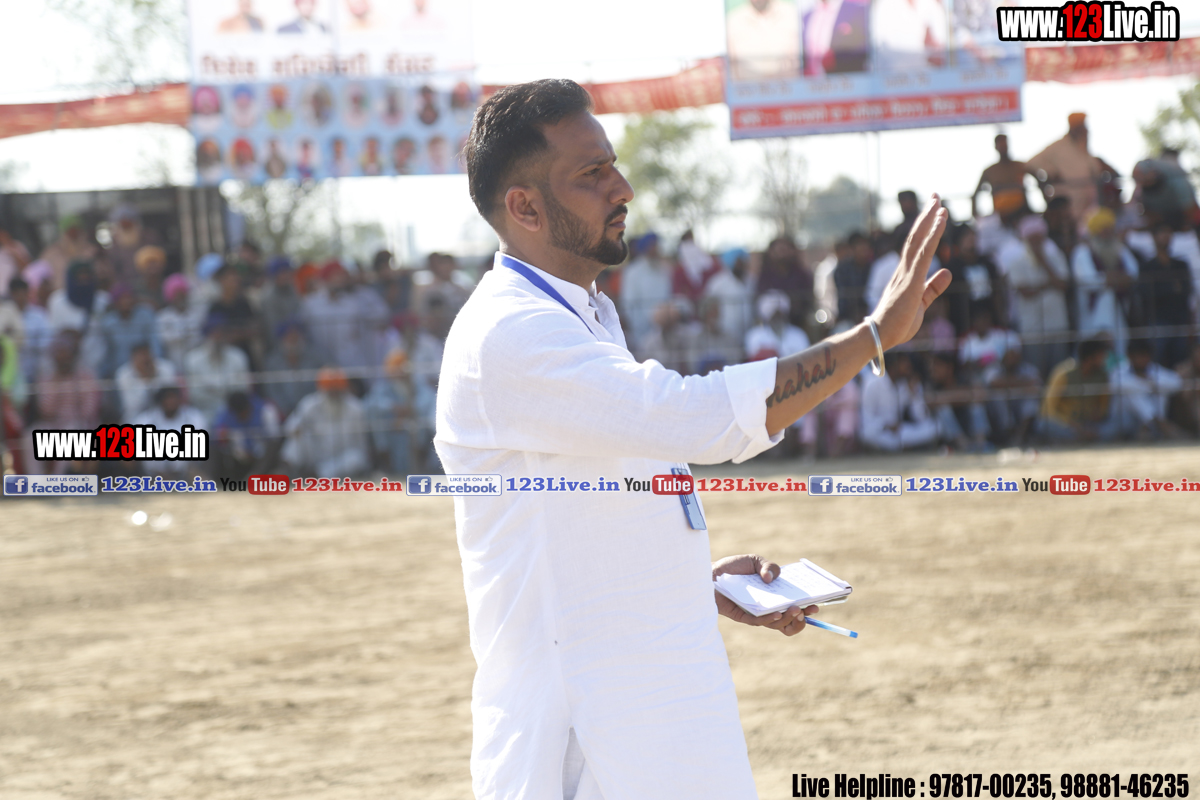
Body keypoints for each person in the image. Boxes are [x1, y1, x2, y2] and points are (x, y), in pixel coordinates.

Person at [442, 78, 950, 797]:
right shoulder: (510, 332)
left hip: (644, 703)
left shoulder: (580, 313)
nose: (622, 188)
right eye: (591, 173)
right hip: (585, 733)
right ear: (524, 207)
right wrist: (871, 337)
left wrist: (689, 583)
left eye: (613, 165)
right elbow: (692, 417)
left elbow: (590, 507)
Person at [999, 215, 1070, 377]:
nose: (1036, 243)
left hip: (1057, 325)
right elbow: (1026, 292)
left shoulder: (1056, 257)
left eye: (1039, 239)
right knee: (1036, 372)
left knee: (1060, 372)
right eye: (1032, 239)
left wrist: (1043, 262)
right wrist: (1049, 284)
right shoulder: (1017, 263)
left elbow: (1063, 285)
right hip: (1032, 328)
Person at [1071, 208, 1139, 354]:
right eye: (1103, 230)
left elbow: (1133, 273)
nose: (1107, 234)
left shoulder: (1119, 248)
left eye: (1110, 229)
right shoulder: (1082, 252)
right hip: (1092, 313)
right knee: (1094, 351)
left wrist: (1111, 278)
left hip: (1118, 312)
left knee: (1120, 350)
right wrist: (1112, 279)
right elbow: (1089, 281)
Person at [281, 367, 370, 478]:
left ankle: (315, 476)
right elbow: (290, 427)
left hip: (341, 457)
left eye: (336, 389)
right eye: (330, 389)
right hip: (316, 453)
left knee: (356, 458)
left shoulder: (355, 408)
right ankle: (286, 474)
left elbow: (361, 445)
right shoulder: (309, 404)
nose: (333, 392)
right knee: (295, 442)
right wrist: (298, 430)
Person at [1026, 113, 1115, 223]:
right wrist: (1049, 177)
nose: (1086, 130)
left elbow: (1097, 170)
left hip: (1089, 208)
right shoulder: (1058, 147)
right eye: (1082, 126)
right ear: (1075, 128)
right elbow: (1030, 164)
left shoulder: (1083, 148)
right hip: (1068, 205)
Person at [1132, 221, 1194, 368]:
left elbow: (1186, 290)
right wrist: (1172, 287)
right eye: (1162, 233)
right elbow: (1146, 293)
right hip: (1158, 321)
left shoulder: (1180, 265)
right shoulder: (1147, 267)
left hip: (1180, 320)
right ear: (1154, 237)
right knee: (1156, 360)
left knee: (1180, 361)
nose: (1166, 236)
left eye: (1169, 233)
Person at [1038, 335, 1119, 442]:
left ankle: (1087, 437)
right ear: (1091, 357)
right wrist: (1075, 426)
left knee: (1122, 422)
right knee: (1043, 425)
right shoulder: (1064, 373)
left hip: (1090, 425)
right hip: (1066, 425)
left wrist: (1097, 417)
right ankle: (1083, 438)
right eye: (1102, 355)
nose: (1105, 358)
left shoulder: (1102, 376)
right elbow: (1048, 410)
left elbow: (1103, 408)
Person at [859, 350, 939, 451]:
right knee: (868, 435)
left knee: (934, 428)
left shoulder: (906, 383)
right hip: (880, 431)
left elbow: (921, 417)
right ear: (894, 365)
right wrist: (887, 426)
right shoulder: (872, 382)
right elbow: (867, 419)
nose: (908, 365)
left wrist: (914, 394)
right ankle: (900, 446)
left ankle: (900, 446)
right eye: (904, 362)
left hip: (901, 432)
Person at [1110, 338, 1185, 440]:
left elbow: (1177, 383)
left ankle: (1149, 425)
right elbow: (1116, 385)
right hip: (1127, 421)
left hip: (1149, 421)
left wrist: (1150, 383)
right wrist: (1148, 384)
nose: (1143, 360)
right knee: (1132, 393)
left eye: (1145, 356)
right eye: (1139, 356)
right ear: (1130, 356)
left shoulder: (1154, 369)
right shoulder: (1120, 370)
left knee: (1160, 391)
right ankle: (1157, 423)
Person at [185, 313, 252, 423]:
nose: (218, 336)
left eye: (221, 332)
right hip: (205, 411)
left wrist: (213, 389)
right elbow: (195, 394)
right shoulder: (192, 359)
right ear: (206, 335)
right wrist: (223, 393)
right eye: (214, 332)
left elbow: (244, 388)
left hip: (234, 410)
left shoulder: (238, 356)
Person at [132, 385, 207, 478]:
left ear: (180, 399)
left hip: (187, 473)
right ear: (160, 400)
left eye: (174, 398)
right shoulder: (145, 419)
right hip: (153, 474)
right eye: (167, 398)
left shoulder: (194, 417)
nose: (171, 402)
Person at [618, 232, 672, 354]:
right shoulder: (632, 272)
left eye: (657, 246)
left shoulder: (664, 270)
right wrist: (648, 322)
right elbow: (628, 305)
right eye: (653, 246)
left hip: (665, 329)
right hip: (641, 332)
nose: (656, 249)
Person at [212, 390, 283, 480]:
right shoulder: (226, 414)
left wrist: (255, 451)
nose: (240, 416)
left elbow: (275, 438)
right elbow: (218, 434)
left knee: (273, 446)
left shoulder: (266, 410)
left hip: (263, 454)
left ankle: (255, 476)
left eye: (242, 412)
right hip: (240, 455)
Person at [98, 284, 160, 380]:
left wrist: (156, 362)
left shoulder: (145, 315)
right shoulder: (108, 322)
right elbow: (107, 351)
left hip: (145, 368)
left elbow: (154, 341)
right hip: (118, 370)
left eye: (129, 297)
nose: (127, 301)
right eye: (122, 298)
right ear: (116, 302)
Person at [726, 0, 801, 80]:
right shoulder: (733, 21)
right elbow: (732, 69)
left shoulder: (792, 14)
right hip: (748, 86)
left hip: (787, 85)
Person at [262, 320, 320, 419]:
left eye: (296, 336)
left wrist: (311, 406)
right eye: (289, 336)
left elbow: (319, 385)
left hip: (314, 409)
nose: (293, 339)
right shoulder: (273, 362)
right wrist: (285, 409)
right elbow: (272, 390)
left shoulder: (316, 357)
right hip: (284, 412)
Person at [755, 236, 814, 332]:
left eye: (785, 250)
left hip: (798, 322)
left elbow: (807, 300)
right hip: (771, 325)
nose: (782, 254)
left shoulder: (802, 274)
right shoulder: (765, 276)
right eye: (779, 250)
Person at [870, 0, 947, 73]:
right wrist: (926, 56)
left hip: (933, 76)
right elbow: (882, 52)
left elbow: (943, 46)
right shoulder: (885, 6)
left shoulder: (931, 4)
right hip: (894, 77)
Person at [973, 133, 1034, 221]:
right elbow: (975, 194)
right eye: (1000, 144)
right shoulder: (989, 171)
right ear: (996, 147)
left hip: (1023, 215)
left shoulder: (1020, 166)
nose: (1003, 146)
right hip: (1000, 217)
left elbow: (1039, 179)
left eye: (1004, 143)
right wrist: (976, 216)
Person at [801, 0, 870, 76]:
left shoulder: (857, 10)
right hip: (811, 81)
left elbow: (864, 50)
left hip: (843, 79)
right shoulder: (806, 16)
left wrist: (836, 59)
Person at [115, 341, 177, 422]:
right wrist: (145, 380)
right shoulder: (123, 374)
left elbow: (169, 396)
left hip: (164, 416)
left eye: (147, 355)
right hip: (134, 417)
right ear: (133, 359)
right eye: (141, 357)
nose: (145, 360)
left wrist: (153, 376)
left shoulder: (167, 367)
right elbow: (132, 405)